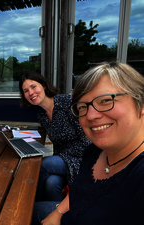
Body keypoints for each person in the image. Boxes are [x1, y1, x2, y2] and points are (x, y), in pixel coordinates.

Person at [33, 61, 144, 225]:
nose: (91, 115)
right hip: (69, 214)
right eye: (83, 106)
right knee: (25, 206)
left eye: (106, 100)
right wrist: (57, 214)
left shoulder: (139, 175)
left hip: (70, 159)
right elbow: (80, 192)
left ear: (141, 104)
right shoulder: (94, 152)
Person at [19, 72, 91, 203]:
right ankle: (55, 216)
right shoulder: (42, 116)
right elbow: (58, 145)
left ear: (44, 86)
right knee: (51, 183)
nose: (31, 93)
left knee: (43, 164)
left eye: (33, 86)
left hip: (84, 158)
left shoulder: (68, 103)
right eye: (26, 90)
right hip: (65, 160)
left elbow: (87, 141)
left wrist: (60, 157)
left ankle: (30, 206)